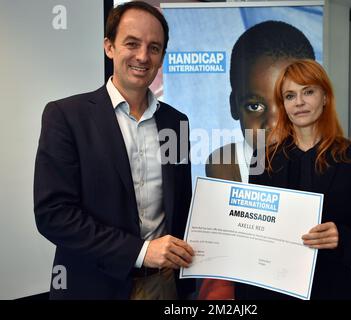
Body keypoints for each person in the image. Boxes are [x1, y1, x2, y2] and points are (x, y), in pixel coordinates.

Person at [34, 1, 194, 300]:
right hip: (93, 287)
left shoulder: (177, 122)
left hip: (163, 285)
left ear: (161, 58)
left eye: (154, 48)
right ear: (109, 47)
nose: (143, 56)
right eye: (132, 44)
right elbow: (53, 215)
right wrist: (141, 251)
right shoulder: (66, 116)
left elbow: (181, 205)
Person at [235, 59, 351, 299]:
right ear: (283, 105)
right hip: (271, 289)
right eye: (290, 96)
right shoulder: (263, 158)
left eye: (308, 92)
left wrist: (340, 237)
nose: (299, 102)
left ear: (325, 97)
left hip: (330, 287)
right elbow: (254, 230)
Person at [199, 21, 315, 299]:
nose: (273, 123)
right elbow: (223, 262)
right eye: (255, 106)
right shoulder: (225, 163)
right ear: (233, 105)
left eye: (287, 100)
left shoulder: (328, 160)